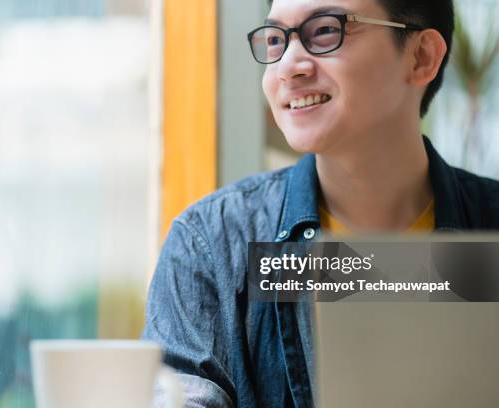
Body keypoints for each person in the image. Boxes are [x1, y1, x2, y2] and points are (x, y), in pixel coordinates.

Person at [143, 0, 499, 406]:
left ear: (421, 57)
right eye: (276, 40)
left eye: (326, 31)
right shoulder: (210, 244)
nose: (289, 66)